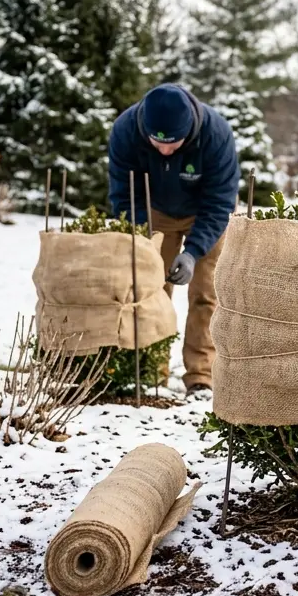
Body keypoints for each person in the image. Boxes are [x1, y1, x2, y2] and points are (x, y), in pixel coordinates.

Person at [108, 83, 240, 394]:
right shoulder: (126, 130)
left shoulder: (216, 134)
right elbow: (125, 196)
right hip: (155, 211)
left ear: (189, 131)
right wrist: (144, 240)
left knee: (207, 292)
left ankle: (201, 375)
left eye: (174, 143)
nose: (165, 150)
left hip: (204, 213)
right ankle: (153, 371)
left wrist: (194, 251)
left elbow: (220, 201)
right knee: (151, 289)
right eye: (157, 143)